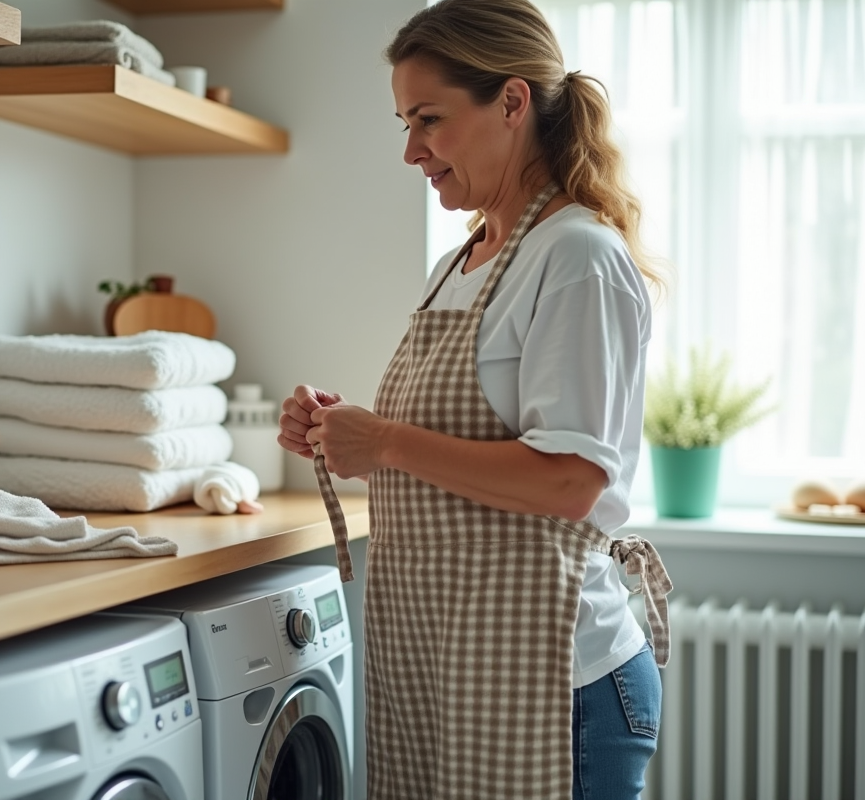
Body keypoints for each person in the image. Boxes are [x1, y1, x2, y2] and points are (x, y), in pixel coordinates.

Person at [277, 1, 674, 798]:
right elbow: (461, 456)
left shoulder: (576, 257)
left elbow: (571, 481)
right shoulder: (468, 259)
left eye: (429, 119)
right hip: (455, 673)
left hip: (561, 686)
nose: (411, 151)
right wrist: (338, 433)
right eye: (404, 123)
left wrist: (384, 441)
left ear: (513, 102)